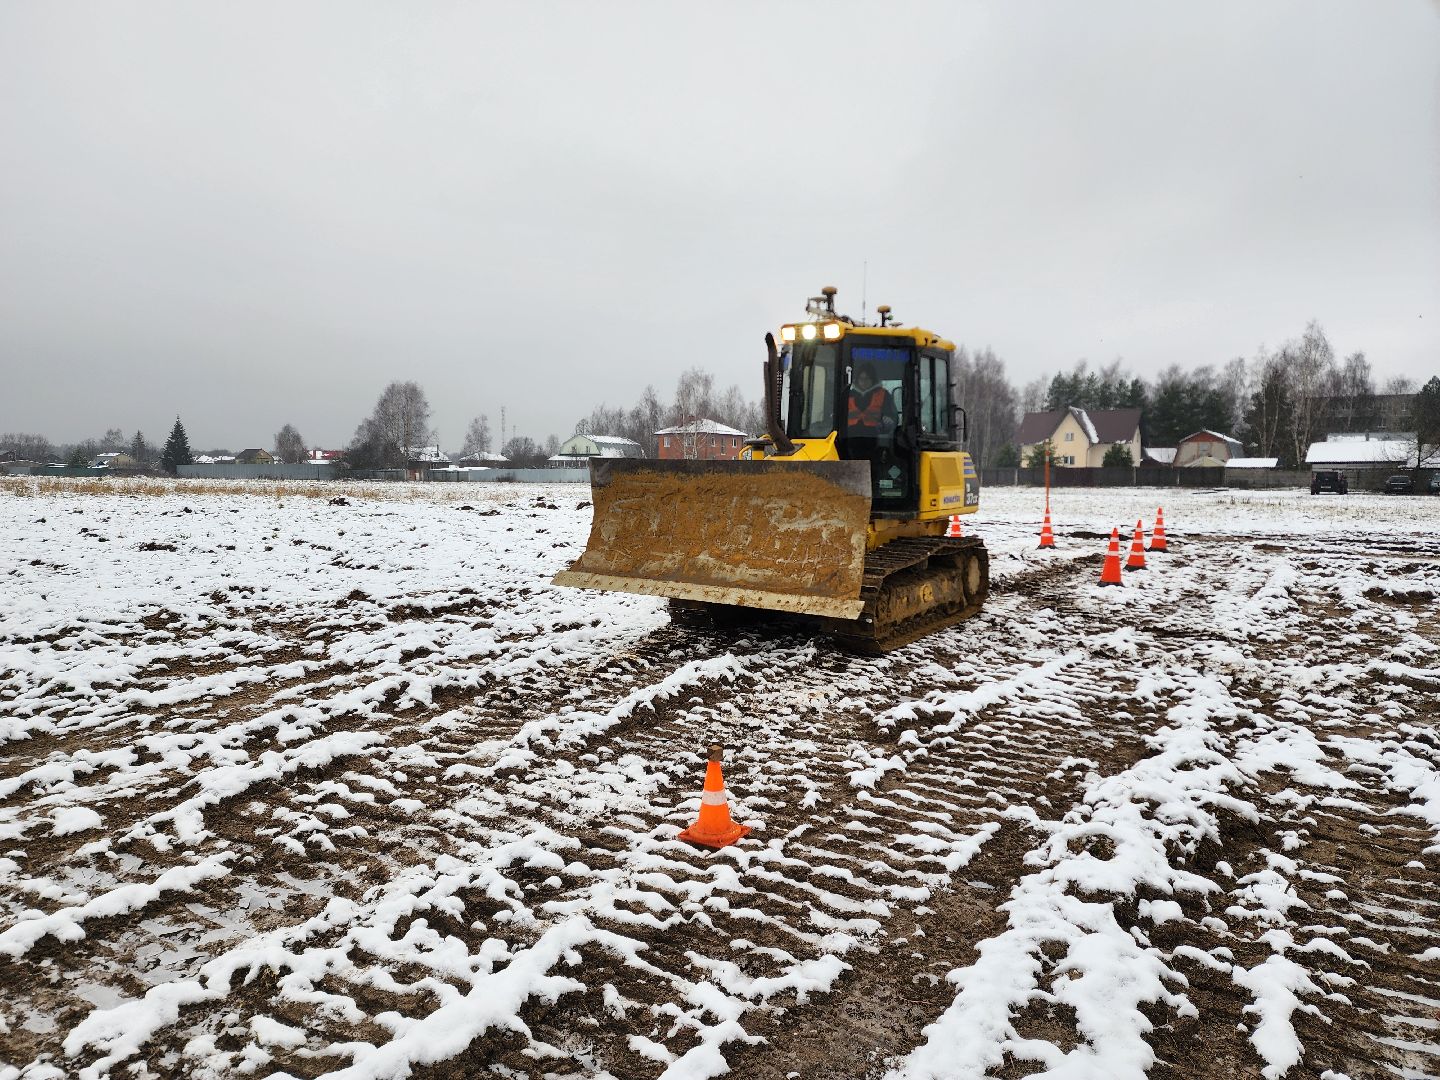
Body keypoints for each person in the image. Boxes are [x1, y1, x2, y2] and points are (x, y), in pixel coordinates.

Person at [848, 363, 898, 435]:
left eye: (867, 378)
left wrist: (888, 421)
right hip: (849, 436)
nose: (863, 382)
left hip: (874, 435)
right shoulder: (849, 394)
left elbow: (892, 416)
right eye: (861, 378)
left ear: (873, 379)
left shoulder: (884, 394)